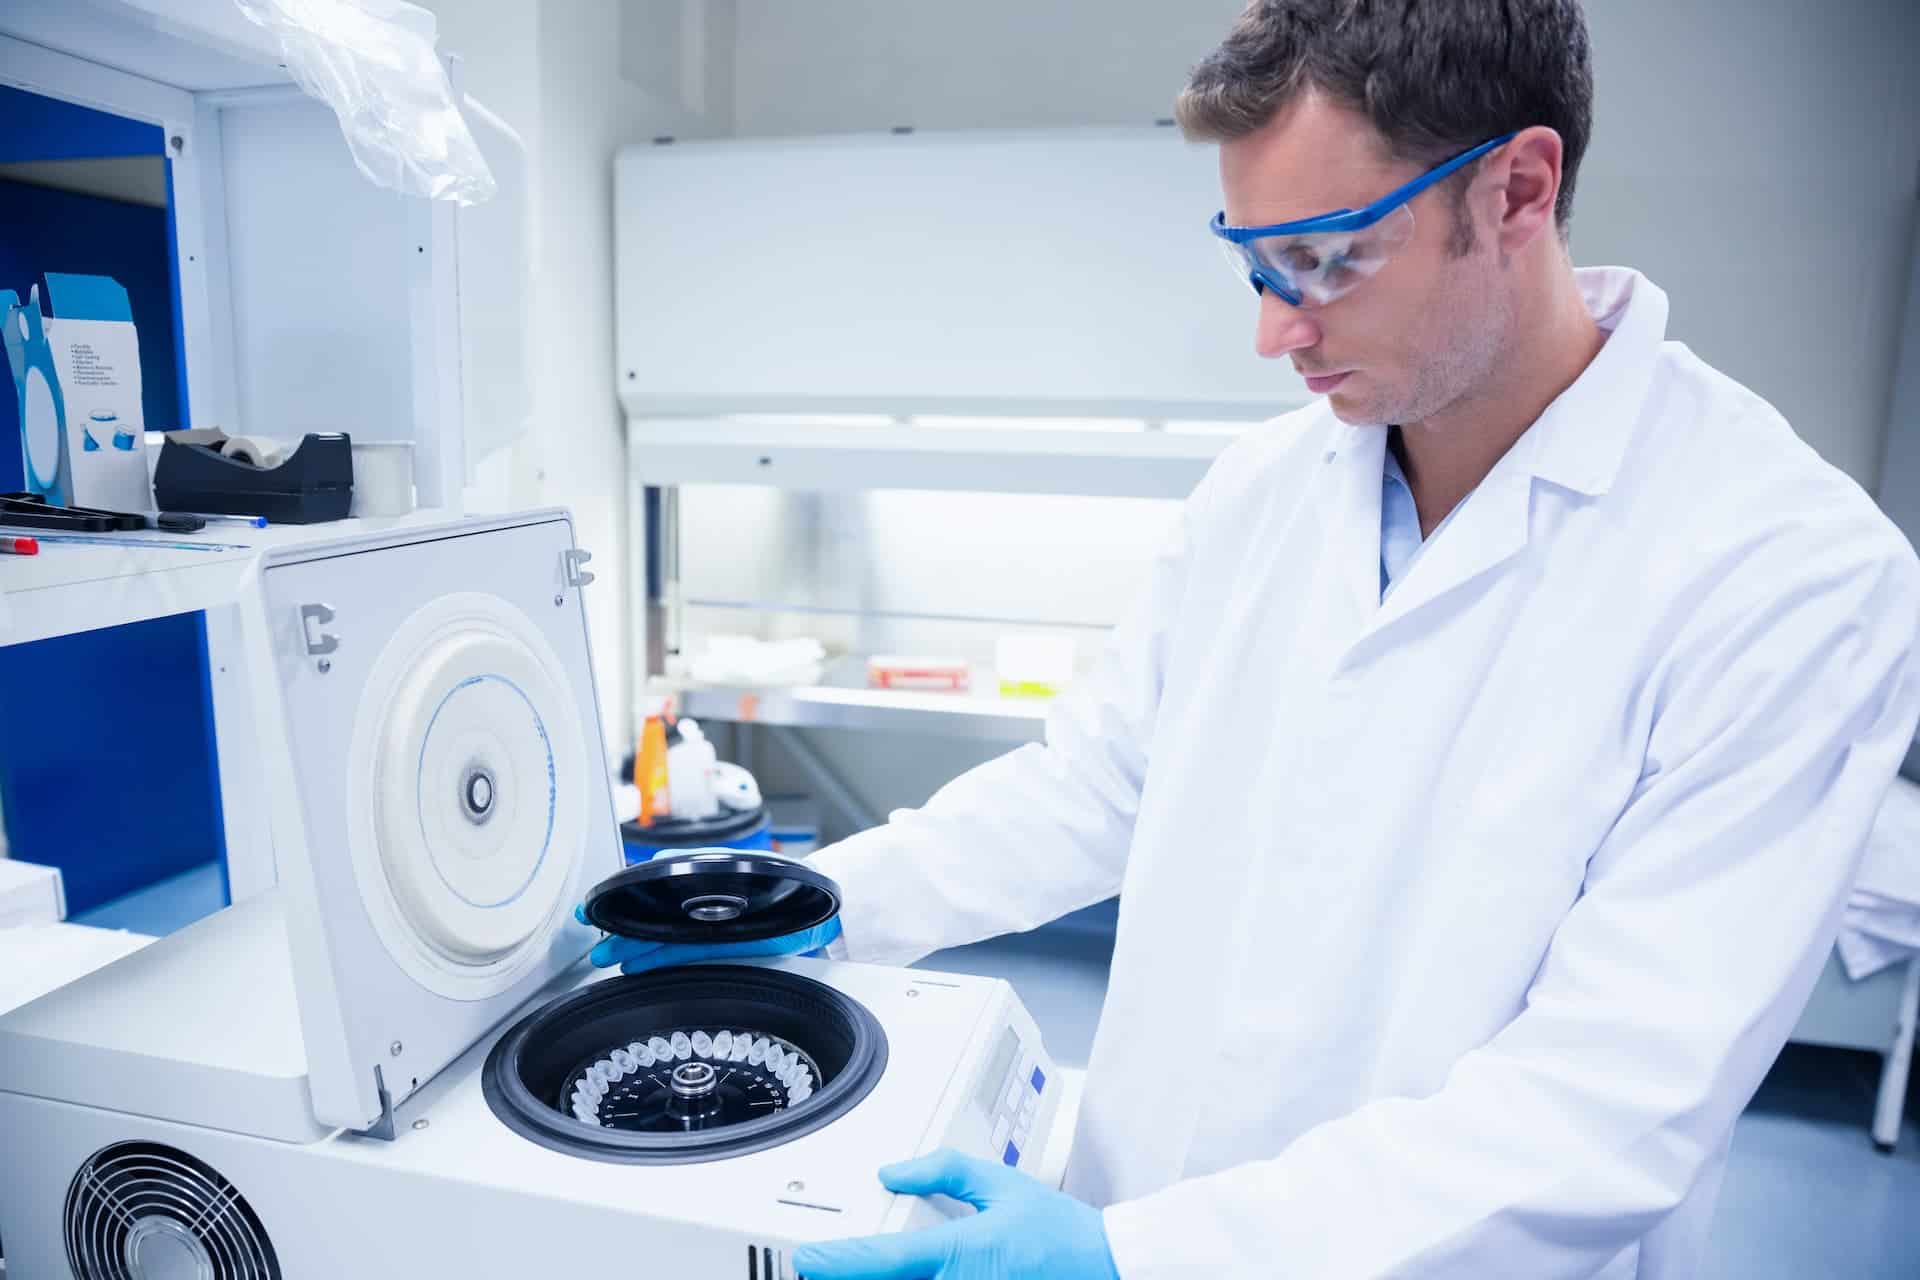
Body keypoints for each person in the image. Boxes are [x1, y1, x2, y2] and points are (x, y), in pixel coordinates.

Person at [591, 2, 1920, 1275]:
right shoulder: (1267, 489)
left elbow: (1606, 1110)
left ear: (1517, 191)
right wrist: (822, 912)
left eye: (1328, 259)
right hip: (1147, 1199)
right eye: (1255, 261)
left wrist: (1137, 1261)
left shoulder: (1789, 580)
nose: (1275, 329)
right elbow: (1095, 787)